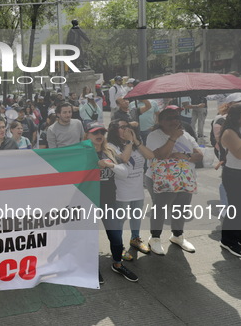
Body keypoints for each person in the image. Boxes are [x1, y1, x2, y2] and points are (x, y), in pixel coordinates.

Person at [146, 106, 202, 255]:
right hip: (162, 179)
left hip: (185, 179)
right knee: (161, 209)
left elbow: (199, 155)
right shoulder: (154, 135)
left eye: (176, 117)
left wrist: (185, 156)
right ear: (161, 121)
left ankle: (177, 236)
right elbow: (161, 156)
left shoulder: (186, 135)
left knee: (181, 209)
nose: (174, 121)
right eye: (169, 118)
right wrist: (173, 138)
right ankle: (155, 238)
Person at [86, 122, 138, 283]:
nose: (99, 135)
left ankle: (117, 263)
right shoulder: (82, 153)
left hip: (109, 200)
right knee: (89, 237)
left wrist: (111, 165)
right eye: (95, 132)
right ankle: (91, 267)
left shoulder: (109, 151)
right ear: (87, 135)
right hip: (88, 201)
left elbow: (124, 170)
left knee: (116, 235)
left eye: (102, 132)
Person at [107, 119, 155, 258]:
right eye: (122, 127)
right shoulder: (110, 146)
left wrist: (136, 141)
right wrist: (129, 142)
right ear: (114, 130)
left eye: (127, 127)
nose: (126, 130)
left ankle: (135, 238)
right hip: (121, 191)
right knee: (120, 220)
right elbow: (124, 159)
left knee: (136, 216)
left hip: (137, 188)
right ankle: (119, 247)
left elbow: (150, 156)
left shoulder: (134, 144)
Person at [219, 102, 241, 258]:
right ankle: (228, 240)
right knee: (238, 209)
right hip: (237, 175)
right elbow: (240, 153)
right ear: (238, 118)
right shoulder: (230, 132)